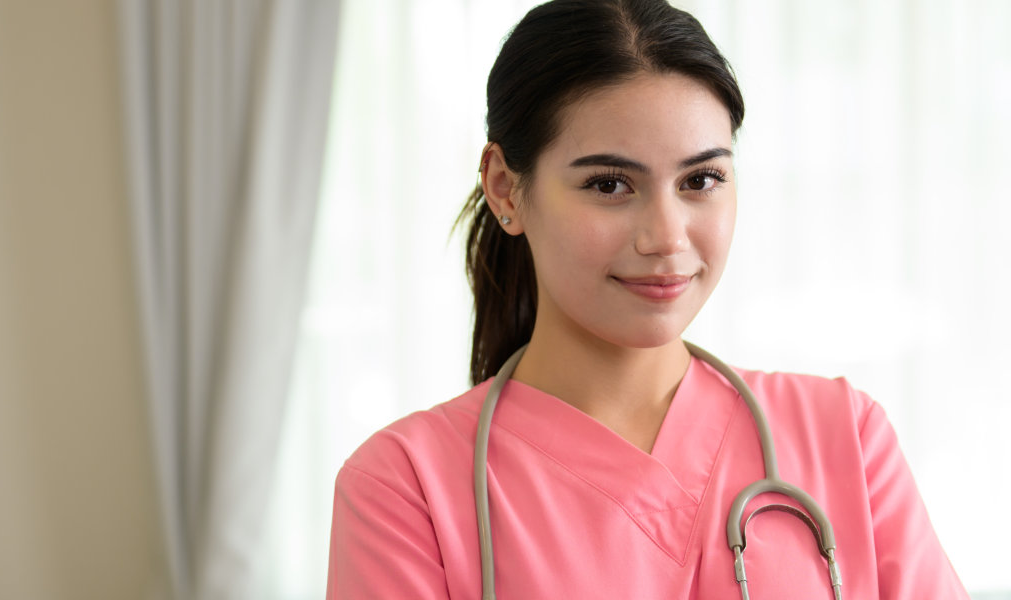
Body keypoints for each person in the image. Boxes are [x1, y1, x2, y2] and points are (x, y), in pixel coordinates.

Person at [327, 0, 968, 597]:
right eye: (609, 185)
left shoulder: (845, 437)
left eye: (701, 179)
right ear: (505, 190)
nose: (666, 237)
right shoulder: (405, 487)